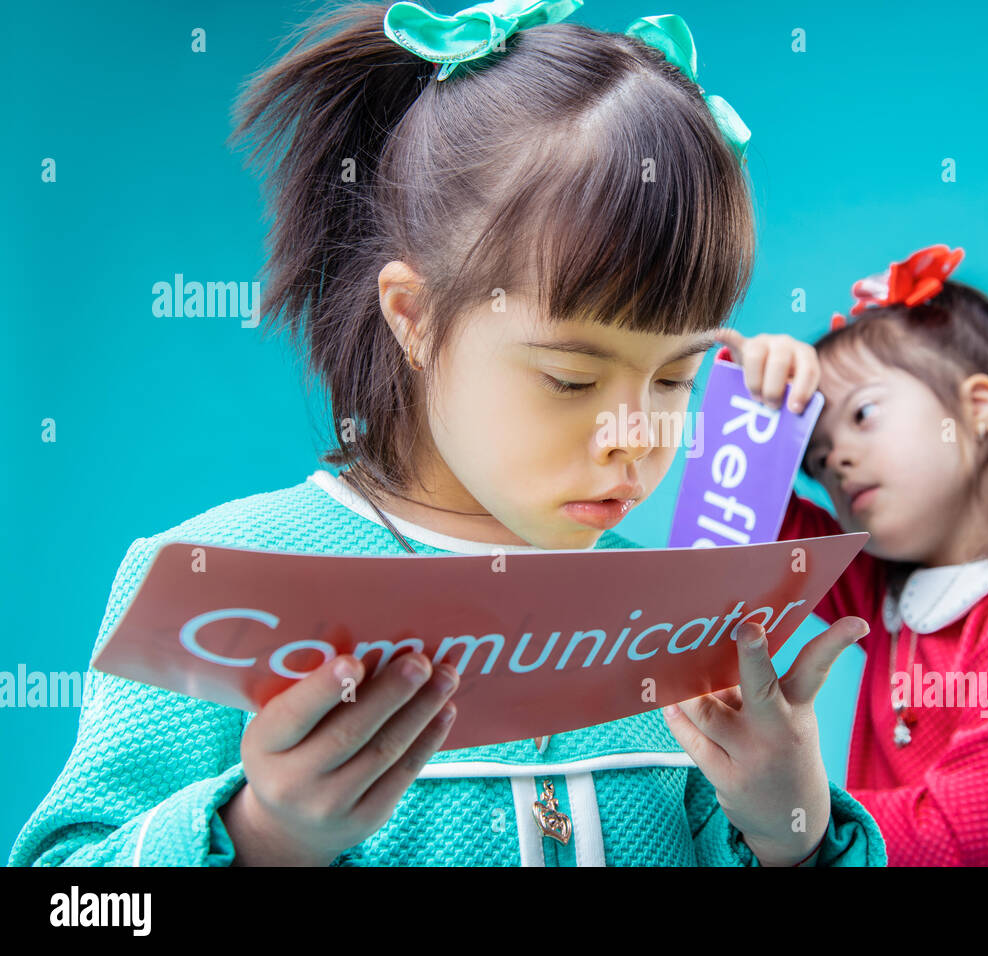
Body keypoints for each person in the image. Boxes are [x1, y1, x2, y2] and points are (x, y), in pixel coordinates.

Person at [7, 0, 886, 868]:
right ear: (415, 317)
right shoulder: (215, 585)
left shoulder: (676, 615)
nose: (634, 436)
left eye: (676, 378)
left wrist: (792, 833)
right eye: (570, 378)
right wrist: (263, 838)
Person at [716, 244, 988, 865]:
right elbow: (748, 523)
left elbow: (959, 846)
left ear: (977, 409)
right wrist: (748, 402)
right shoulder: (891, 588)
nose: (833, 461)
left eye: (863, 414)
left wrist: (793, 815)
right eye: (816, 458)